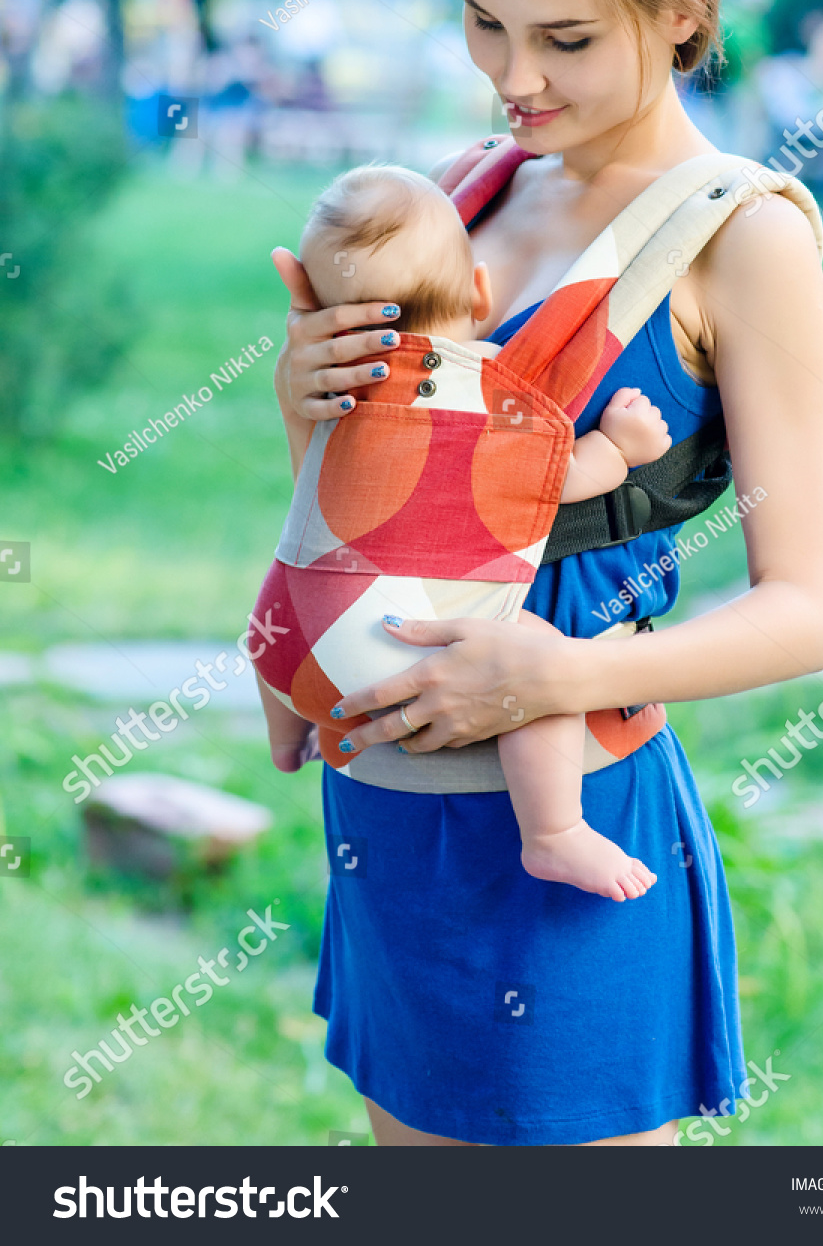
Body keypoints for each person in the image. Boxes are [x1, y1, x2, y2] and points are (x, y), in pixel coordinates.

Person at [266, 0, 823, 1147]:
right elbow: (367, 512)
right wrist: (302, 414)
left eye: (565, 40)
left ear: (681, 10)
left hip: (568, 808)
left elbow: (809, 610)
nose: (512, 77)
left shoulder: (742, 240)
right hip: (392, 814)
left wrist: (555, 677)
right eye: (483, 24)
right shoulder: (460, 197)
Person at [255, 162, 669, 901]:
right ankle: (553, 833)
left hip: (293, 654)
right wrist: (622, 448)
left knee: (273, 612)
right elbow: (560, 481)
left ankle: (288, 737)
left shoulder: (334, 388)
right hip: (406, 653)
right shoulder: (491, 398)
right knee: (540, 664)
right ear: (481, 294)